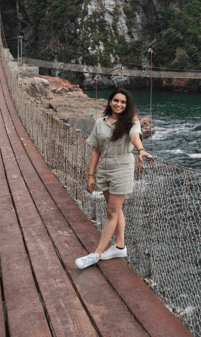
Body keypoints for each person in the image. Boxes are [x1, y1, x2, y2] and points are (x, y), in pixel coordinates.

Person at [75, 88, 149, 269]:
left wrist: (140, 149)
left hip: (122, 168)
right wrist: (90, 175)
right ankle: (120, 247)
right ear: (110, 102)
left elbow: (134, 137)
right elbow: (95, 149)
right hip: (105, 168)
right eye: (116, 100)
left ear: (127, 105)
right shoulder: (100, 123)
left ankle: (96, 254)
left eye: (123, 102)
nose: (119, 104)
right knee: (116, 210)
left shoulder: (132, 122)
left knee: (111, 212)